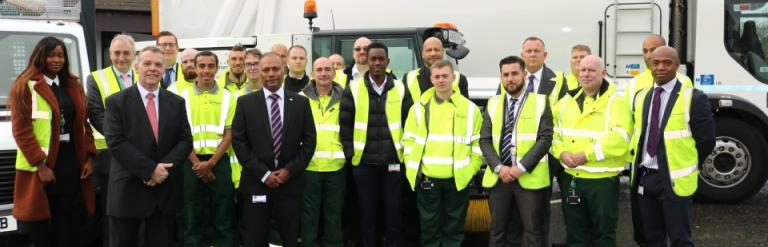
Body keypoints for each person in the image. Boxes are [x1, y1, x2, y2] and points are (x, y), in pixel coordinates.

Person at [10, 36, 96, 247]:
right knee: (40, 226)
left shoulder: (73, 86)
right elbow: (21, 131)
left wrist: (89, 158)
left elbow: (84, 125)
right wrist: (40, 165)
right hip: (41, 166)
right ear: (41, 57)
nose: (57, 60)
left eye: (61, 56)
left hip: (69, 163)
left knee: (66, 221)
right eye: (51, 55)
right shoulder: (25, 87)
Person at [103, 46, 193, 247]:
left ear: (163, 69)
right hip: (128, 191)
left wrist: (162, 170)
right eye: (147, 63)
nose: (153, 68)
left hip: (164, 193)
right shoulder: (117, 102)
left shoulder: (176, 102)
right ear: (136, 67)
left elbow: (186, 141)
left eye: (158, 65)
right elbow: (116, 142)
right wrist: (150, 170)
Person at [629, 47, 715, 247]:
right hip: (646, 178)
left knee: (680, 239)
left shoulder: (693, 98)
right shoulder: (642, 96)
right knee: (652, 239)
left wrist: (688, 164)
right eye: (655, 63)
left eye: (667, 63)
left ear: (677, 66)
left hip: (673, 180)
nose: (660, 67)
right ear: (649, 65)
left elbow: (707, 141)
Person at [231, 52, 316, 247]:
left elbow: (310, 141)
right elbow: (239, 142)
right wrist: (263, 173)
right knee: (257, 238)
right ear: (259, 73)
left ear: (284, 71)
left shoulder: (301, 103)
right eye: (266, 70)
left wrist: (289, 171)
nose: (271, 74)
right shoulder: (245, 103)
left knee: (289, 238)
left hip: (290, 184)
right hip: (257, 183)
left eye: (275, 69)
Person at [551, 55, 631, 246]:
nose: (585, 74)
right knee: (576, 232)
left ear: (603, 73)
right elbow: (552, 133)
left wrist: (587, 155)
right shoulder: (565, 102)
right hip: (572, 179)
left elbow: (621, 139)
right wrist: (561, 152)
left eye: (591, 70)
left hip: (601, 181)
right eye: (582, 70)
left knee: (603, 233)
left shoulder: (616, 103)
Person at [402, 60, 483, 247]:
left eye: (445, 76)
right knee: (430, 227)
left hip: (458, 179)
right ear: (431, 79)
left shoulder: (470, 109)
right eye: (437, 76)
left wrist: (471, 169)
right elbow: (408, 141)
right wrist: (413, 167)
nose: (441, 80)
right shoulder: (419, 108)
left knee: (454, 229)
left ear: (453, 78)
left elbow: (478, 144)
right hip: (428, 179)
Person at [340, 41, 413, 247]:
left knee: (393, 215)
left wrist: (404, 155)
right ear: (367, 61)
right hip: (364, 165)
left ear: (388, 61)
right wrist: (350, 153)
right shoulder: (353, 89)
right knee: (367, 215)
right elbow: (344, 126)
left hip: (393, 163)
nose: (377, 63)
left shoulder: (400, 88)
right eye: (373, 59)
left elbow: (410, 125)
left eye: (381, 59)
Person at [623, 35, 693, 247]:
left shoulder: (683, 83)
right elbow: (629, 125)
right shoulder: (634, 85)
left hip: (672, 172)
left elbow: (702, 137)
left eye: (654, 50)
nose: (649, 55)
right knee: (648, 234)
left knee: (679, 234)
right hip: (643, 171)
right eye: (645, 51)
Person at [480, 55, 553, 247]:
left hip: (528, 177)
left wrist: (520, 167)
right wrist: (499, 168)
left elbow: (545, 139)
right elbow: (485, 140)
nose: (510, 78)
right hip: (500, 178)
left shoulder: (541, 102)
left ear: (524, 74)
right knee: (498, 231)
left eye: (514, 73)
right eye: (506, 75)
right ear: (501, 77)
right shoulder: (493, 103)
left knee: (533, 232)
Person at [178, 51, 237, 246]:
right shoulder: (182, 98)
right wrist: (198, 165)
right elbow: (181, 136)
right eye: (201, 66)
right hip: (191, 162)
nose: (206, 71)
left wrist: (210, 164)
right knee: (192, 214)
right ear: (194, 68)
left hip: (218, 162)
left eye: (210, 66)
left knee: (223, 214)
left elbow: (229, 136)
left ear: (216, 68)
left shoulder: (228, 97)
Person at [85, 33, 137, 246]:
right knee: (111, 211)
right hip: (110, 156)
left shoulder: (145, 75)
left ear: (134, 55)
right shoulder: (96, 78)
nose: (121, 58)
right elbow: (97, 115)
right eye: (117, 53)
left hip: (141, 155)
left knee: (138, 208)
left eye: (126, 53)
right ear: (110, 54)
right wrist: (126, 141)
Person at [299, 57, 347, 247]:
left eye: (328, 69)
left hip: (336, 167)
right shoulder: (300, 98)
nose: (324, 73)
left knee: (334, 214)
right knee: (308, 215)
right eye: (319, 70)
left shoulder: (345, 98)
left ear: (334, 72)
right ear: (312, 73)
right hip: (309, 166)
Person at [403, 37, 469, 102]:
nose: (433, 54)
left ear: (443, 52)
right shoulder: (408, 78)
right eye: (429, 50)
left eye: (436, 50)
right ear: (423, 54)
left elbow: (464, 108)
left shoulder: (460, 79)